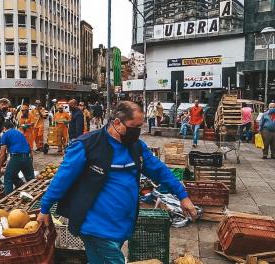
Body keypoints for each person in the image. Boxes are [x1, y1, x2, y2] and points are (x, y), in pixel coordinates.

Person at [37, 101, 197, 263]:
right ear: (117, 123)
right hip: (96, 227)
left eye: (140, 127)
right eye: (134, 127)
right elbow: (62, 178)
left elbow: (160, 171)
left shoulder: (135, 147)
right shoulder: (87, 145)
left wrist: (182, 196)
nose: (138, 132)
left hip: (122, 225)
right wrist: (45, 207)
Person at [0, 121, 35, 195]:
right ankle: (34, 196)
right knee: (31, 179)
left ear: (4, 128)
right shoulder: (20, 133)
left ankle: (7, 199)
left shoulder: (6, 134)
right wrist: (30, 160)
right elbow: (29, 147)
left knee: (8, 178)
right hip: (27, 157)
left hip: (17, 157)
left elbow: (2, 153)